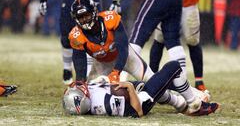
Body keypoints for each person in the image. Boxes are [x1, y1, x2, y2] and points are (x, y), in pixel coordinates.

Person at [68, 0, 217, 115]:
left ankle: (196, 94)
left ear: (94, 12)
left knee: (153, 80)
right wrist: (80, 81)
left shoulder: (110, 19)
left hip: (125, 56)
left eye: (86, 15)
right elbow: (79, 60)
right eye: (80, 17)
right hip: (102, 64)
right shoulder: (76, 36)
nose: (84, 20)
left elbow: (123, 47)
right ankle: (178, 102)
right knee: (98, 94)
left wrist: (116, 72)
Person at [62, 61, 219, 117]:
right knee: (173, 67)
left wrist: (103, 80)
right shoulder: (104, 104)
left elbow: (102, 87)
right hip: (143, 100)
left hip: (132, 93)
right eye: (79, 91)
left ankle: (180, 104)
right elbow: (137, 112)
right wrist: (130, 87)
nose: (80, 87)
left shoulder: (89, 98)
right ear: (83, 99)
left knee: (160, 80)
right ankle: (194, 105)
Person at [149, 0, 207, 91]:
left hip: (187, 3)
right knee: (159, 39)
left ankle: (199, 80)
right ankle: (150, 78)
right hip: (166, 1)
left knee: (192, 40)